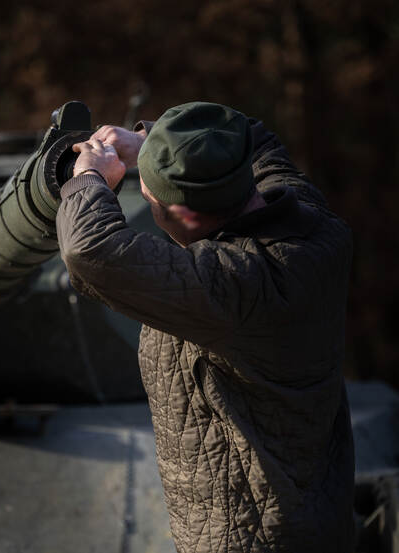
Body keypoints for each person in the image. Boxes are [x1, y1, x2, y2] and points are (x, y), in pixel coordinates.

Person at [56, 102, 354, 552]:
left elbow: (89, 251)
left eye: (151, 200)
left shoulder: (234, 284)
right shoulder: (309, 224)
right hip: (312, 521)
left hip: (251, 540)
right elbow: (250, 135)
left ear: (186, 215)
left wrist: (89, 179)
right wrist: (151, 143)